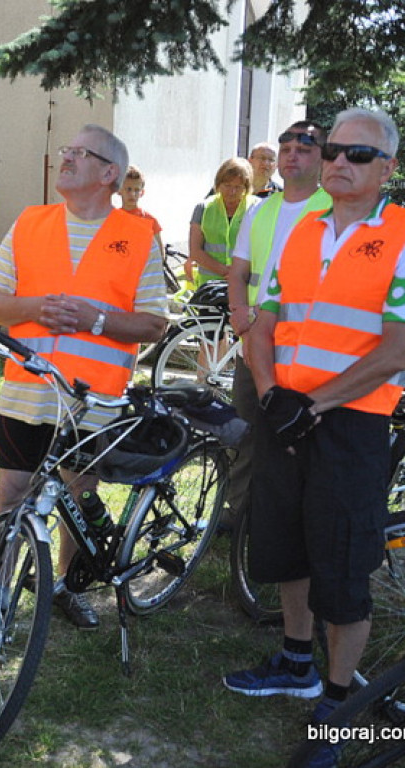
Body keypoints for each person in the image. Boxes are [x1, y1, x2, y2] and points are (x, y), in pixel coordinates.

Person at [223, 108, 405, 765]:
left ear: (386, 169)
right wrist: (271, 391)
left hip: (351, 423)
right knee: (285, 539)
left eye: (358, 154)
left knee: (344, 560)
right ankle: (297, 662)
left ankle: (338, 704)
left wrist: (315, 403)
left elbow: (395, 350)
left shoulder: (404, 233)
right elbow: (266, 317)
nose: (338, 161)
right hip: (286, 410)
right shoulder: (302, 232)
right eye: (333, 149)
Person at [0, 127, 168, 628]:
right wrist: (35, 309)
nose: (66, 158)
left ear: (110, 174)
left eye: (78, 153)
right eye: (66, 150)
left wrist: (96, 319)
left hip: (94, 399)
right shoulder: (31, 221)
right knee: (11, 496)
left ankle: (64, 584)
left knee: (78, 497)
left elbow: (154, 322)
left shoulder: (138, 236)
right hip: (26, 391)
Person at [224, 122, 332, 529]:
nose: (292, 154)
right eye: (286, 147)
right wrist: (240, 322)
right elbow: (238, 273)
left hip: (305, 348)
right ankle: (241, 516)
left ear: (322, 157)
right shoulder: (260, 209)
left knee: (295, 438)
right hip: (253, 341)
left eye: (304, 147)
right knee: (245, 430)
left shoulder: (332, 209)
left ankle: (285, 520)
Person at [188, 157, 257, 288]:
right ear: (218, 184)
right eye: (227, 186)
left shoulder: (256, 207)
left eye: (238, 187)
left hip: (246, 284)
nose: (232, 192)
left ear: (246, 188)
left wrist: (239, 274)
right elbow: (195, 251)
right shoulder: (204, 208)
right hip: (210, 284)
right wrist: (226, 271)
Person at [118, 165, 165, 257]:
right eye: (128, 189)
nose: (132, 194)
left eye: (136, 190)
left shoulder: (150, 221)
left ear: (142, 193)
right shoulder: (111, 219)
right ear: (119, 190)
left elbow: (160, 255)